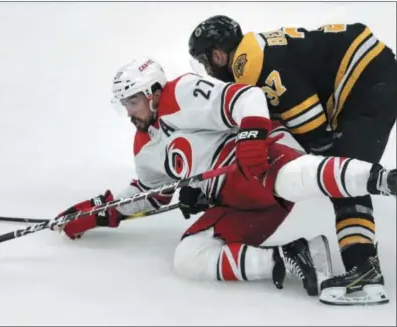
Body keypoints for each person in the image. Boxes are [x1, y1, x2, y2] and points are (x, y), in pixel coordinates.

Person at [53, 58, 395, 304]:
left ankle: (384, 180)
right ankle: (296, 256)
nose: (129, 113)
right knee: (188, 257)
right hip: (237, 198)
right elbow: (150, 194)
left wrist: (248, 141)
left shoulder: (182, 93)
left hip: (259, 159)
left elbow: (247, 98)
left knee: (291, 179)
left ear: (153, 92)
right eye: (125, 105)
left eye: (133, 101)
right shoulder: (145, 146)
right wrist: (97, 212)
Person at [187, 16, 397, 305]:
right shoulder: (255, 50)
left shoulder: (247, 64)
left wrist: (319, 167)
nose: (209, 69)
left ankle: (365, 272)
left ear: (219, 52)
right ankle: (364, 267)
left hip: (366, 77)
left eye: (206, 59)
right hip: (367, 71)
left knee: (343, 180)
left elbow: (309, 120)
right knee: (342, 175)